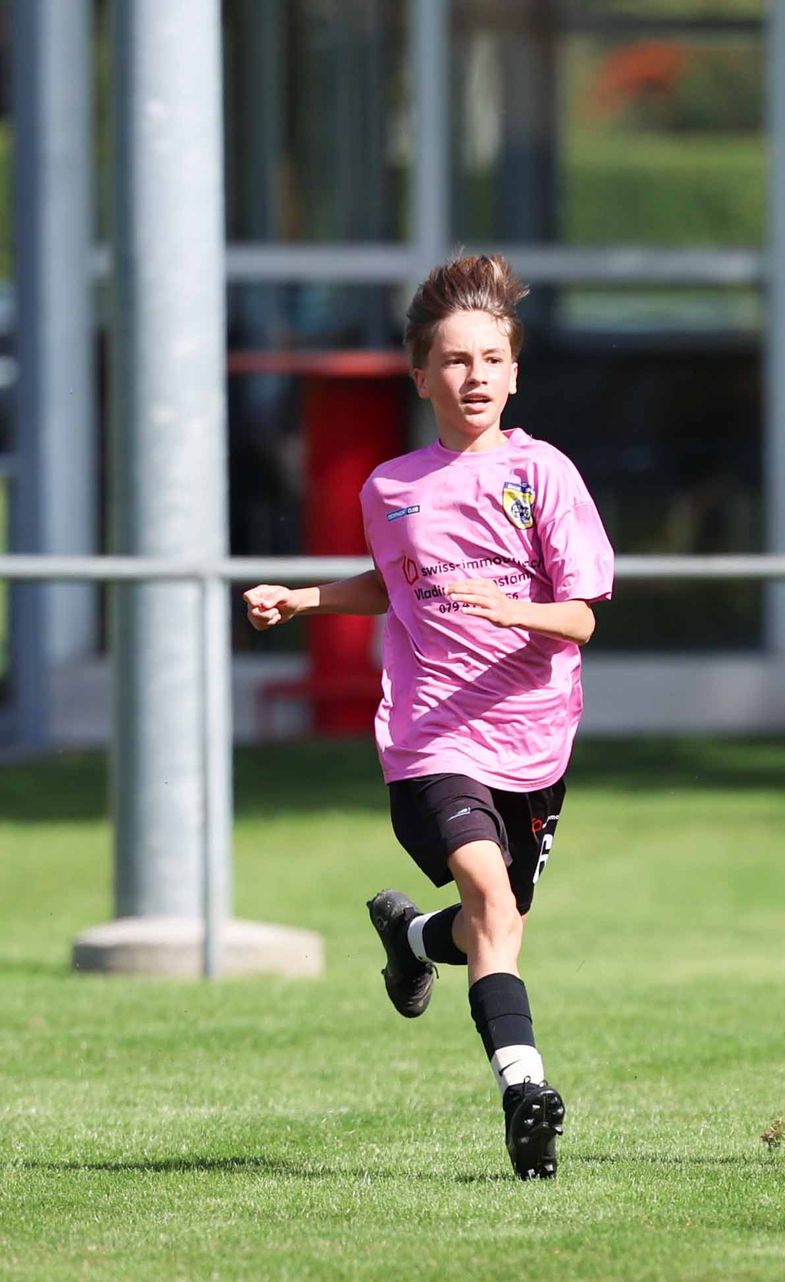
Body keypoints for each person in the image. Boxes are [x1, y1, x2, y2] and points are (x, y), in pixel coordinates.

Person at [241, 254, 614, 1179]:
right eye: (454, 361)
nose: (474, 375)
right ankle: (525, 1093)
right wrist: (306, 601)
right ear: (422, 378)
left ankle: (409, 938)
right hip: (430, 737)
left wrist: (515, 610)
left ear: (515, 371)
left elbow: (582, 614)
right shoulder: (391, 488)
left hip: (534, 739)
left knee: (501, 918)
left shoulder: (547, 474)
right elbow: (394, 586)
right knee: (491, 902)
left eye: (491, 358)